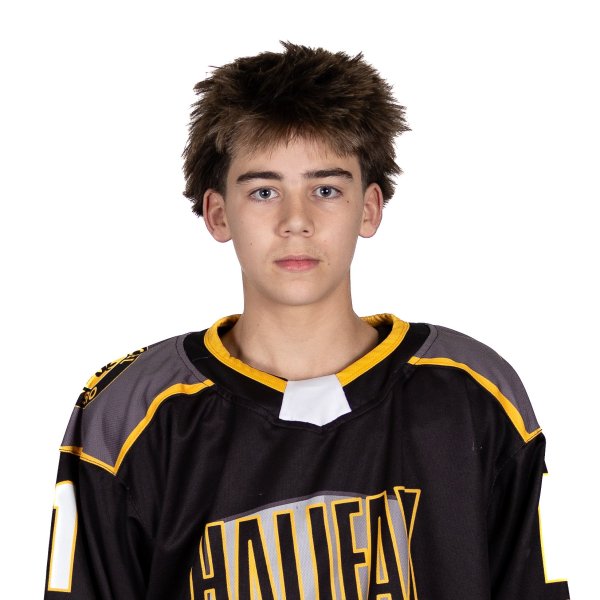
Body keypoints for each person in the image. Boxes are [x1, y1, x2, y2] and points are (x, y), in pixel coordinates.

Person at [44, 42, 570, 599]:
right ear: (218, 213)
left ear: (369, 207)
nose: (296, 221)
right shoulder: (131, 413)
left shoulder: (474, 394)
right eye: (264, 191)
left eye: (325, 189)